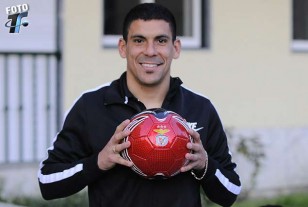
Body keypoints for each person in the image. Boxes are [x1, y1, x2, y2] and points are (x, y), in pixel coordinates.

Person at [38, 3, 241, 207]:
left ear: (175, 48)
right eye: (139, 40)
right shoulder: (92, 106)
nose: (150, 51)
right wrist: (98, 162)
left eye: (161, 40)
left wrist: (204, 164)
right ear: (123, 47)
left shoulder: (200, 108)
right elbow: (47, 182)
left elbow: (230, 193)